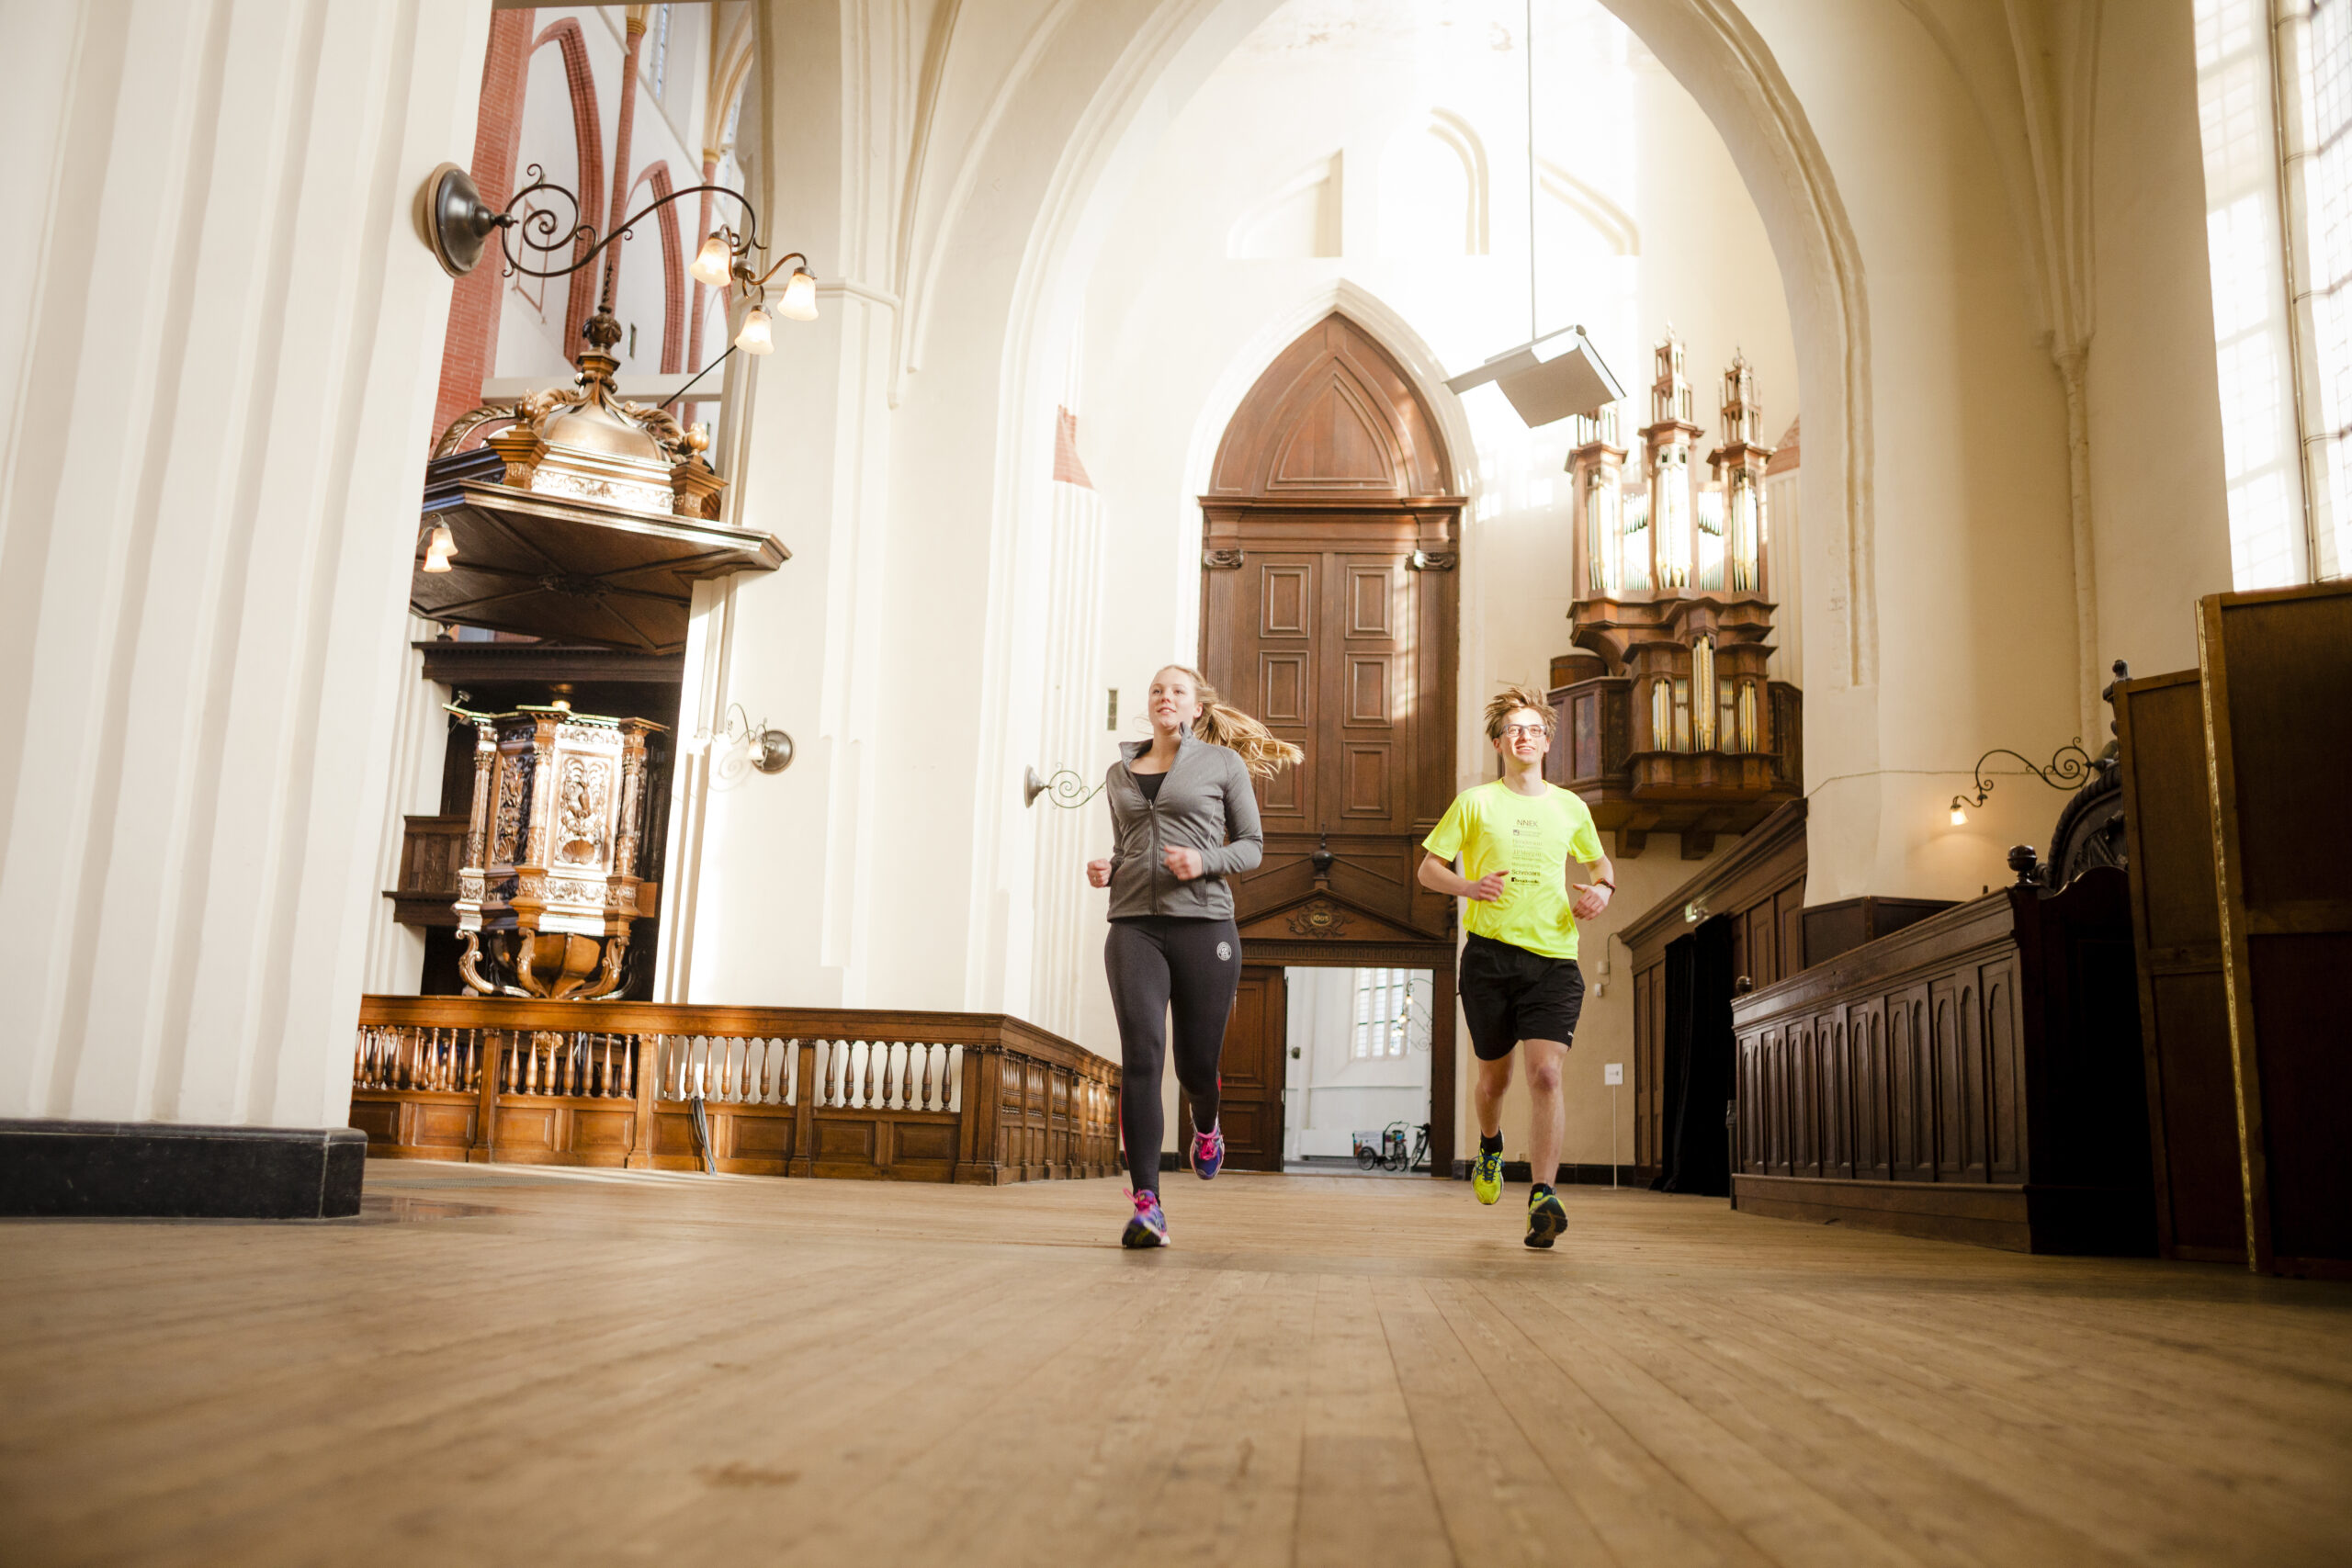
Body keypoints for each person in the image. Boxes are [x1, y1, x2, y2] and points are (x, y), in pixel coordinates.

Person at [1086, 665, 1300, 1248]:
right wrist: (1107, 868)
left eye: (1176, 690)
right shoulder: (1118, 773)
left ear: (1195, 708)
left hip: (1205, 924)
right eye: (1156, 689)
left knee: (1195, 1066)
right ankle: (1147, 1205)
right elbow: (1126, 846)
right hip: (1132, 925)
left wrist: (1204, 863)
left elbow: (1252, 845)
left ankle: (1206, 1126)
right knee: (1142, 1058)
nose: (1164, 697)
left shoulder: (1221, 765)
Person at [1417, 683, 1613, 1248]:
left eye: (1533, 729)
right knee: (1494, 1079)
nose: (1523, 736)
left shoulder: (1570, 807)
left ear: (1547, 741)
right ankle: (1489, 1146)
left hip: (1554, 958)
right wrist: (1468, 886)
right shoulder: (1476, 803)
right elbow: (1430, 870)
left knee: (1546, 1075)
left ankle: (1542, 1196)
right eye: (1513, 730)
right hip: (1488, 959)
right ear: (1500, 743)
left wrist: (1600, 892)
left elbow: (1603, 870)